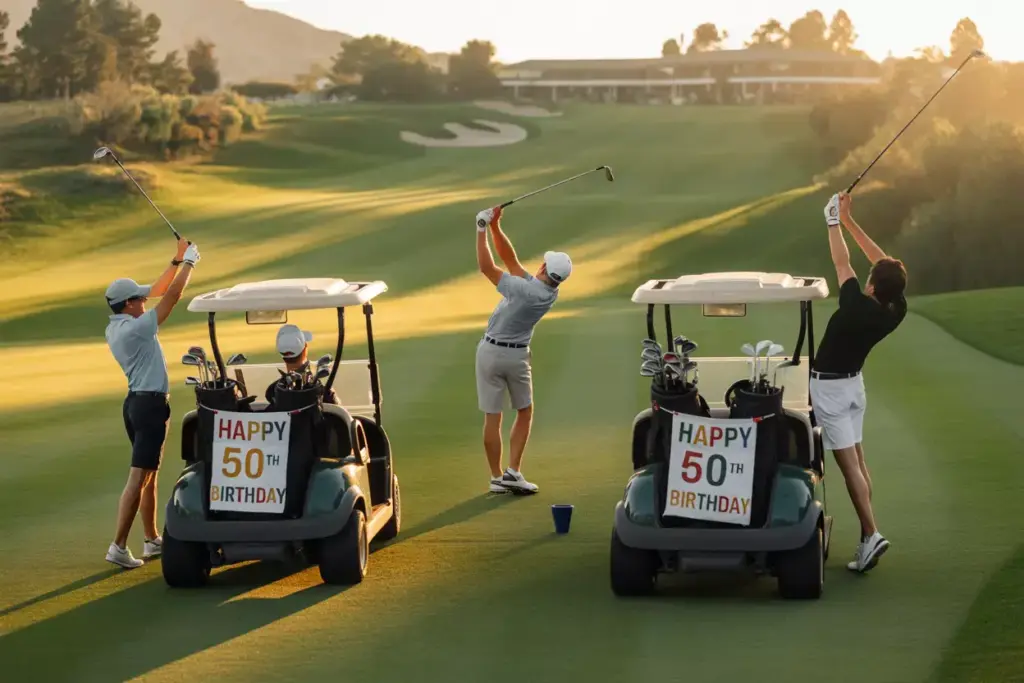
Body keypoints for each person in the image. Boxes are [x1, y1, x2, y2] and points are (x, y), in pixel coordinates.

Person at [814, 192, 907, 573]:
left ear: (871, 286)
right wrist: (848, 220)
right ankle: (870, 533)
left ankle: (870, 533)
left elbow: (841, 261)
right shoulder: (895, 307)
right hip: (854, 388)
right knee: (860, 461)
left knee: (849, 466)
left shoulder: (854, 305)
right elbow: (880, 265)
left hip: (832, 391)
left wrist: (831, 221)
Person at [104, 238, 200, 568]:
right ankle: (118, 546)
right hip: (149, 408)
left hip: (136, 404)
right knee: (138, 477)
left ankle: (151, 539)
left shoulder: (117, 325)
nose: (146, 300)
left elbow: (159, 288)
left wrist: (176, 260)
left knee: (150, 474)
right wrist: (190, 265)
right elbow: (170, 298)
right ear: (129, 304)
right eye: (140, 299)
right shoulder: (136, 330)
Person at [474, 205, 572, 494]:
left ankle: (496, 477)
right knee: (525, 411)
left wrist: (480, 228)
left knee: (493, 416)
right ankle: (513, 471)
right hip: (517, 356)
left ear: (543, 268)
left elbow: (487, 268)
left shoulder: (523, 290)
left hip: (489, 353)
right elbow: (510, 260)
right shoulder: (548, 291)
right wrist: (495, 227)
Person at [263, 324, 340, 407]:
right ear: (305, 349)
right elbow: (339, 411)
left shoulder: (273, 391)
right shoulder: (323, 391)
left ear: (282, 355)